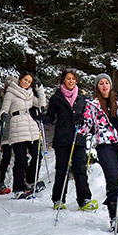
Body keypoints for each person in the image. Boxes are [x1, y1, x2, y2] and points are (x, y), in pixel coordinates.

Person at [79, 73, 118, 230]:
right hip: (105, 144)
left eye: (107, 83)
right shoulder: (92, 105)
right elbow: (86, 125)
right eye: (101, 83)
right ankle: (115, 214)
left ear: (111, 85)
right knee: (113, 178)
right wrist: (79, 123)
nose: (104, 86)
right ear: (97, 87)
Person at [43, 69, 97, 211]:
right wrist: (40, 118)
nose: (71, 81)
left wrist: (86, 123)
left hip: (78, 138)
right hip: (62, 138)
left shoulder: (82, 97)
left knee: (80, 168)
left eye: (73, 78)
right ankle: (58, 199)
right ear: (63, 80)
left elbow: (89, 116)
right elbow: (50, 116)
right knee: (62, 169)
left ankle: (84, 198)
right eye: (68, 78)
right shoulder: (56, 97)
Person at [0, 71, 46, 198]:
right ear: (20, 79)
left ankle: (31, 180)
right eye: (25, 80)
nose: (26, 83)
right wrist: (2, 115)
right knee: (21, 159)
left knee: (37, 155)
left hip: (31, 126)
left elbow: (41, 104)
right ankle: (18, 187)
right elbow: (4, 108)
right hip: (17, 125)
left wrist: (40, 88)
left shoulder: (30, 94)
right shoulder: (11, 92)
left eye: (29, 81)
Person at [0, 76, 16, 195]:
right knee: (6, 157)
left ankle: (23, 179)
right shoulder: (0, 99)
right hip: (6, 132)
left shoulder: (18, 97)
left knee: (21, 157)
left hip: (18, 131)